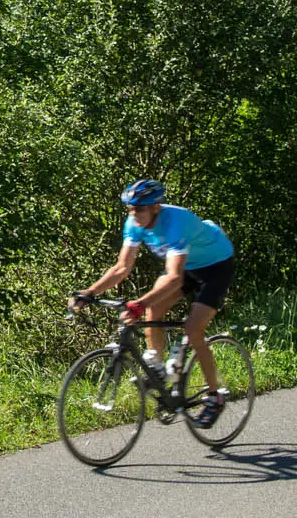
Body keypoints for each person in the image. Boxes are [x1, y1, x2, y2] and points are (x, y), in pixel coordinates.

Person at [66, 178, 236, 428]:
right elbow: (122, 267)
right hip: (188, 266)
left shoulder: (177, 223)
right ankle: (157, 365)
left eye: (140, 209)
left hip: (216, 267)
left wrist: (139, 304)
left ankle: (215, 396)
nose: (134, 215)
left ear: (156, 206)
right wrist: (89, 292)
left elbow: (174, 277)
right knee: (154, 308)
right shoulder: (134, 223)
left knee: (193, 328)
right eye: (131, 209)